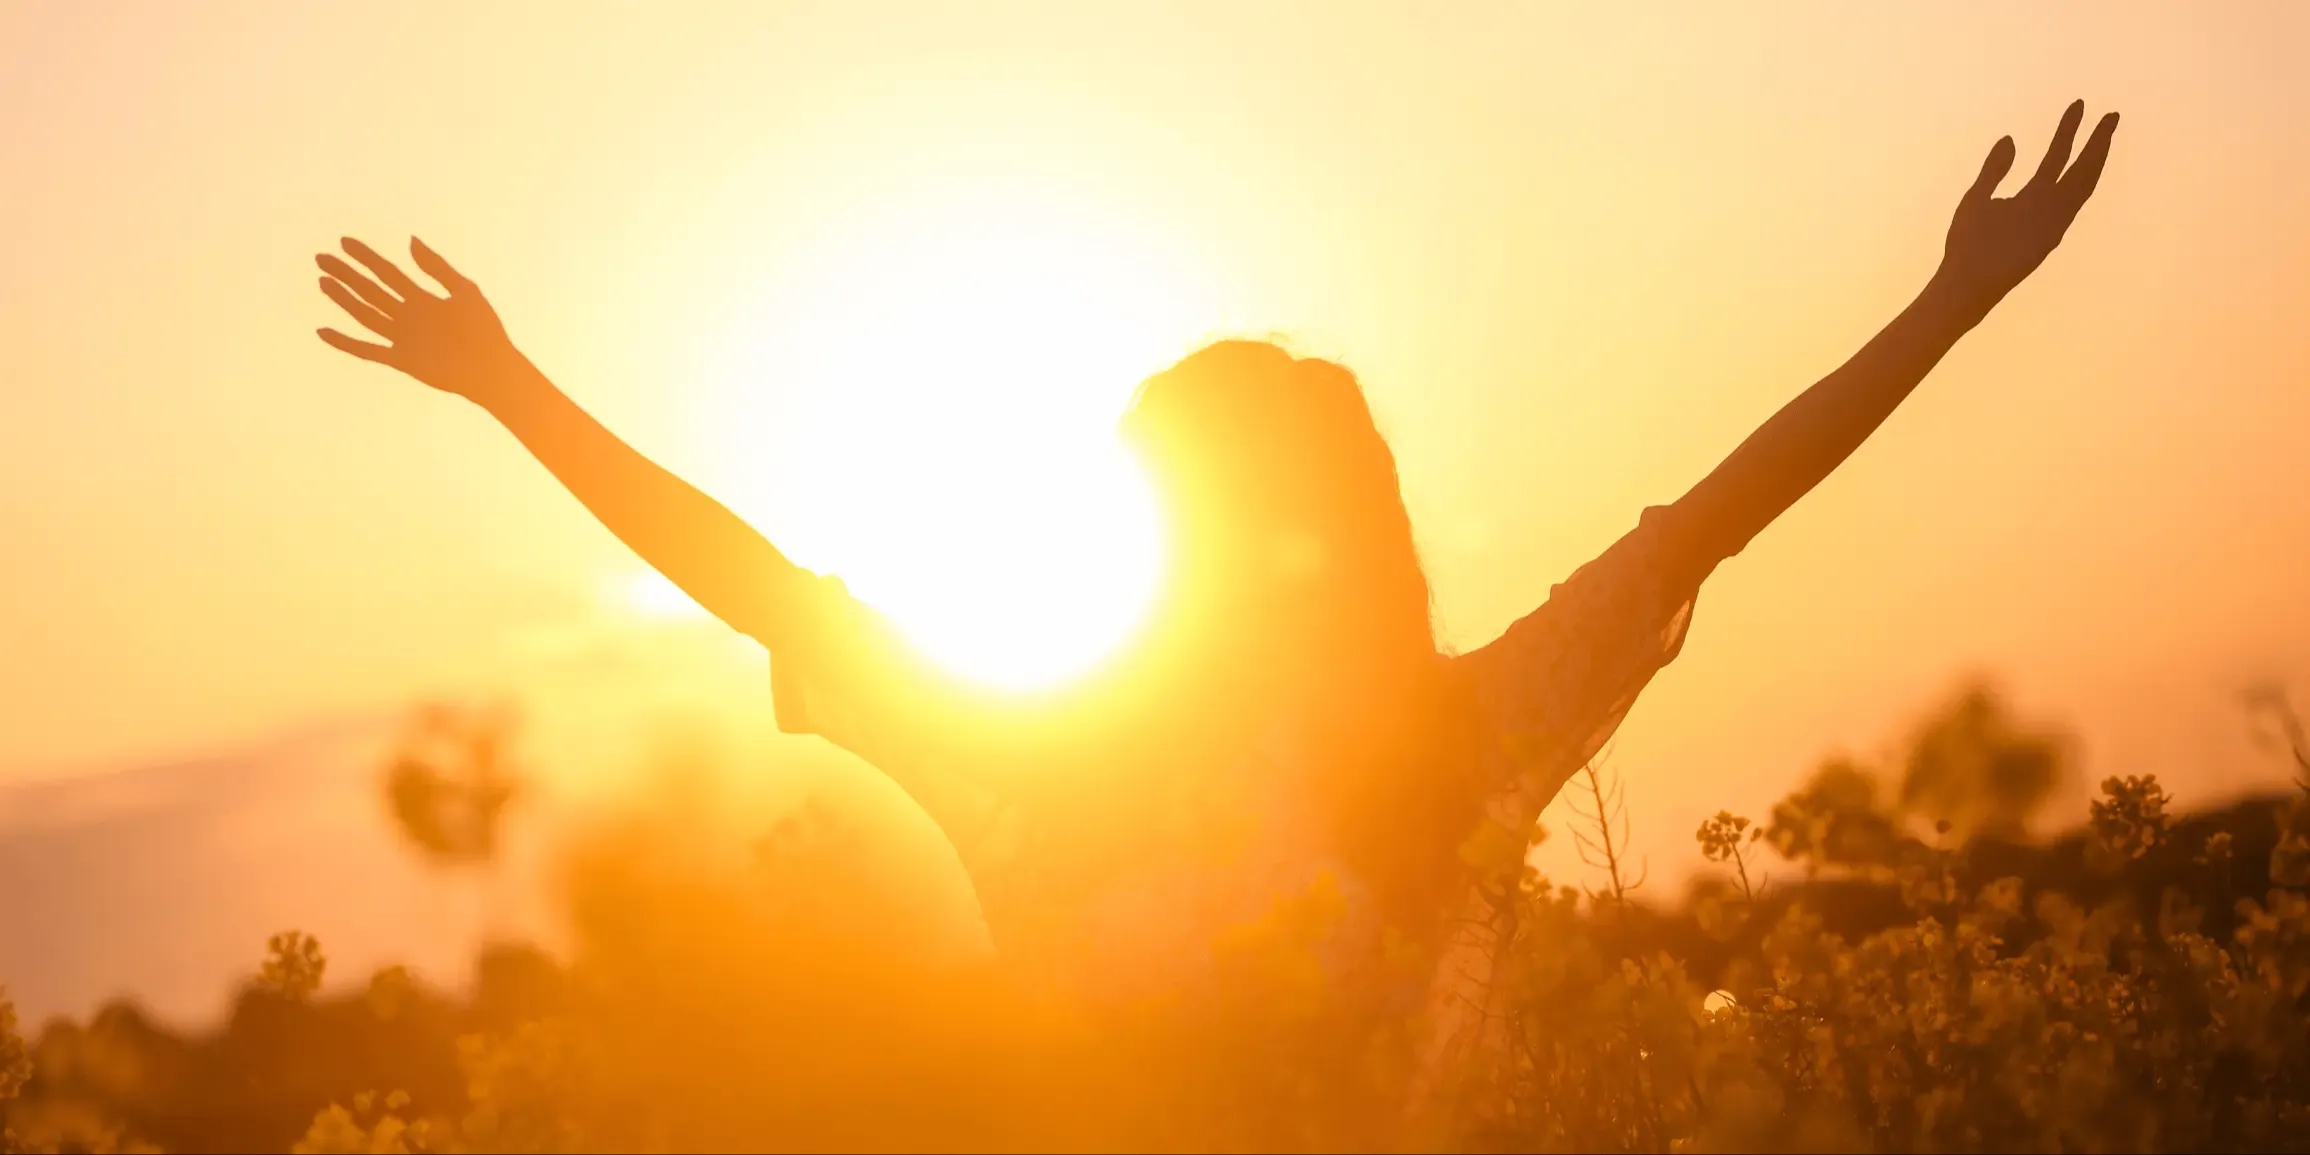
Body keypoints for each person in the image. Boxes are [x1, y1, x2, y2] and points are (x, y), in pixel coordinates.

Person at [314, 101, 2117, 1126]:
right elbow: (752, 576)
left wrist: (1949, 304)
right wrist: (506, 384)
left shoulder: (1085, 755)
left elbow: (1719, 512)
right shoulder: (1430, 737)